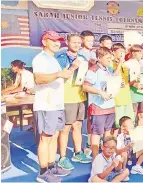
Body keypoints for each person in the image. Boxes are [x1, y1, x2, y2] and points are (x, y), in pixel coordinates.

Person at [33, 31, 72, 182]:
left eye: (59, 41)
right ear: (44, 42)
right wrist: (58, 75)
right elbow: (38, 79)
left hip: (56, 104)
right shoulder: (40, 58)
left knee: (54, 135)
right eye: (53, 40)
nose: (57, 43)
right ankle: (43, 172)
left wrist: (72, 68)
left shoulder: (53, 59)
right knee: (46, 138)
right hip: (46, 105)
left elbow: (60, 76)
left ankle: (51, 166)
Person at [56, 33, 92, 171]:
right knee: (65, 129)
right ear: (67, 42)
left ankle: (78, 153)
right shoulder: (61, 58)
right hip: (67, 98)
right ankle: (63, 157)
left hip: (81, 96)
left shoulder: (83, 58)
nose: (77, 45)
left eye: (79, 42)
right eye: (74, 42)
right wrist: (72, 67)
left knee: (77, 125)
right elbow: (59, 78)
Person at [82, 47, 115, 159]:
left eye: (111, 57)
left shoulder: (109, 69)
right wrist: (100, 92)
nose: (110, 60)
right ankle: (96, 158)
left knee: (107, 132)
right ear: (99, 58)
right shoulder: (93, 70)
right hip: (98, 107)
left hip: (110, 106)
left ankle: (106, 157)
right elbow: (85, 87)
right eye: (108, 58)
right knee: (96, 133)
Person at [79, 30, 97, 152]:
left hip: (94, 90)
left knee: (93, 116)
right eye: (88, 40)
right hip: (80, 89)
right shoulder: (78, 54)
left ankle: (93, 142)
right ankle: (86, 144)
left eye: (92, 40)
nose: (91, 43)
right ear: (82, 40)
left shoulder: (94, 54)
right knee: (81, 119)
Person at [110, 43, 135, 129]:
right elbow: (113, 77)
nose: (122, 54)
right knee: (117, 124)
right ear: (113, 52)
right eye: (120, 52)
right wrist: (120, 63)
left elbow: (129, 81)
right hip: (117, 99)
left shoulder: (125, 66)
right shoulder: (110, 64)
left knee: (128, 123)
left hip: (127, 98)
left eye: (123, 52)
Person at [124, 44, 143, 126]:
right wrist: (134, 84)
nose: (142, 54)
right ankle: (130, 134)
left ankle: (140, 135)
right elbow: (125, 81)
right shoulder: (127, 64)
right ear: (133, 53)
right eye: (140, 52)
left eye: (142, 52)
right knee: (132, 115)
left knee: (141, 115)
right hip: (133, 94)